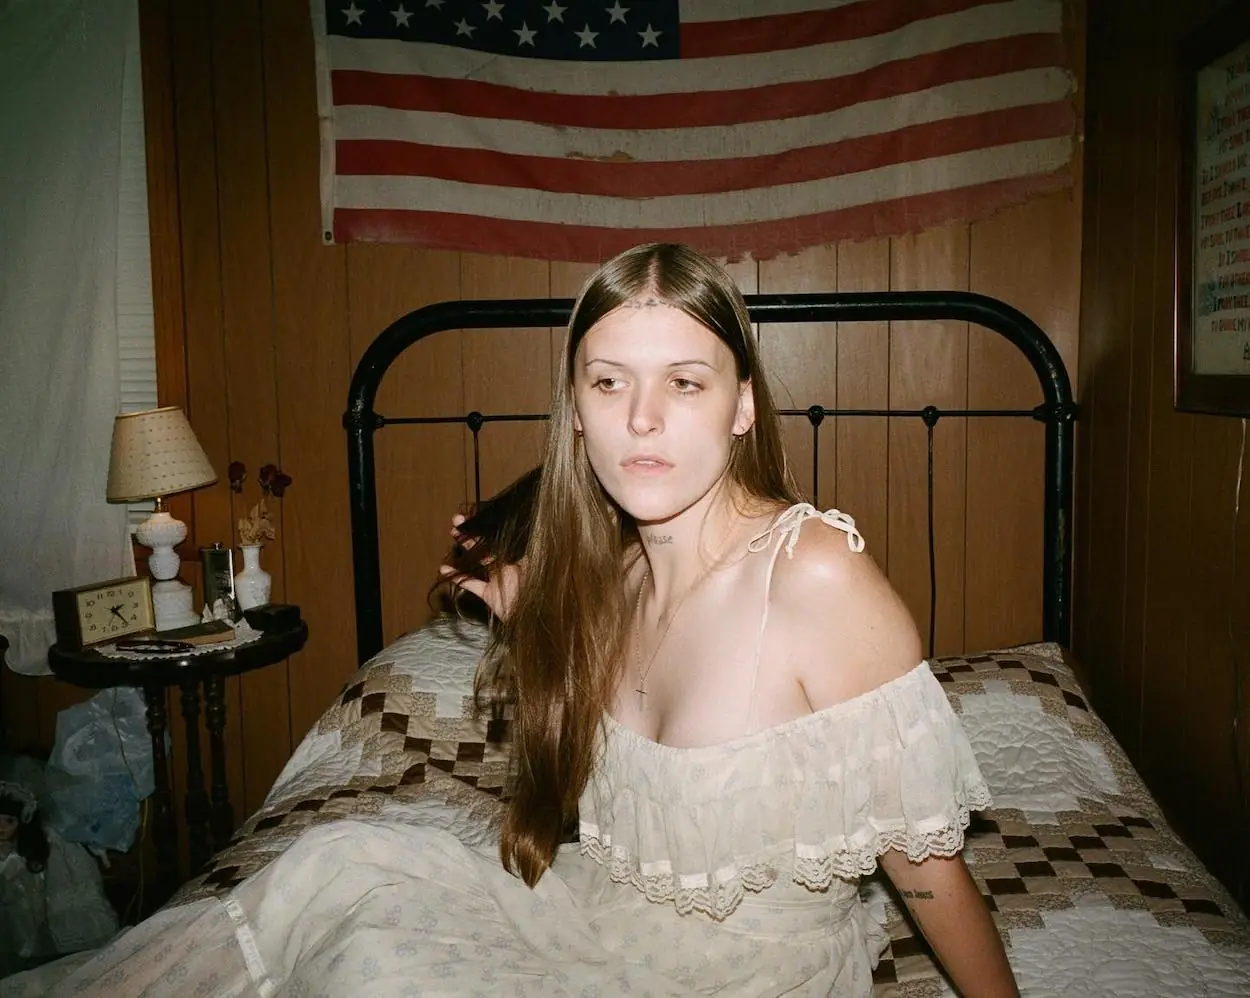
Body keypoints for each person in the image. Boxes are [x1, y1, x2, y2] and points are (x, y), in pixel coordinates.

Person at [1, 244, 1015, 997]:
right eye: (608, 381)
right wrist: (541, 639)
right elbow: (609, 801)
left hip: (742, 976)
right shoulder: (609, 574)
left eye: (684, 382)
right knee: (337, 871)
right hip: (594, 922)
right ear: (573, 408)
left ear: (742, 405)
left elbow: (922, 864)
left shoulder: (815, 575)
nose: (642, 419)